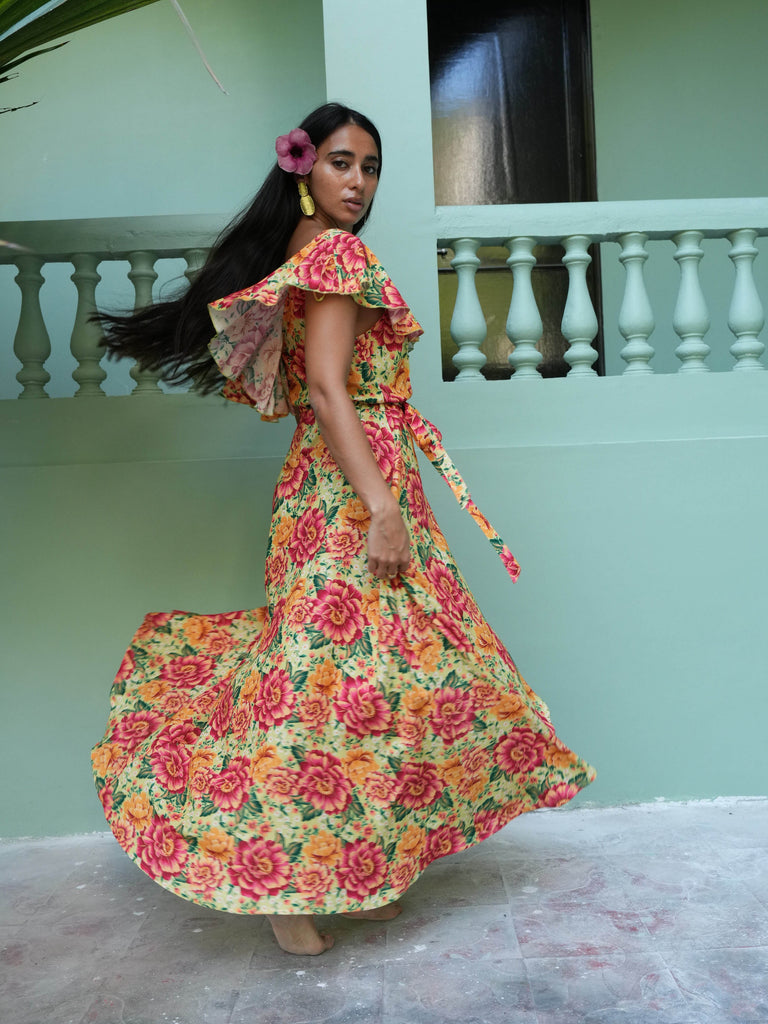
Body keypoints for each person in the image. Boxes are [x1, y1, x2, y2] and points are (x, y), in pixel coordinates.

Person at [91, 102, 595, 956]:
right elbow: (327, 389)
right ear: (303, 170)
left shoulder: (305, 251)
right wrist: (383, 506)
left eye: (368, 167)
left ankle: (341, 866)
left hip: (343, 479)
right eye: (339, 163)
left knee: (372, 679)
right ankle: (281, 885)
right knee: (318, 687)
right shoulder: (334, 255)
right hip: (349, 490)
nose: (357, 182)